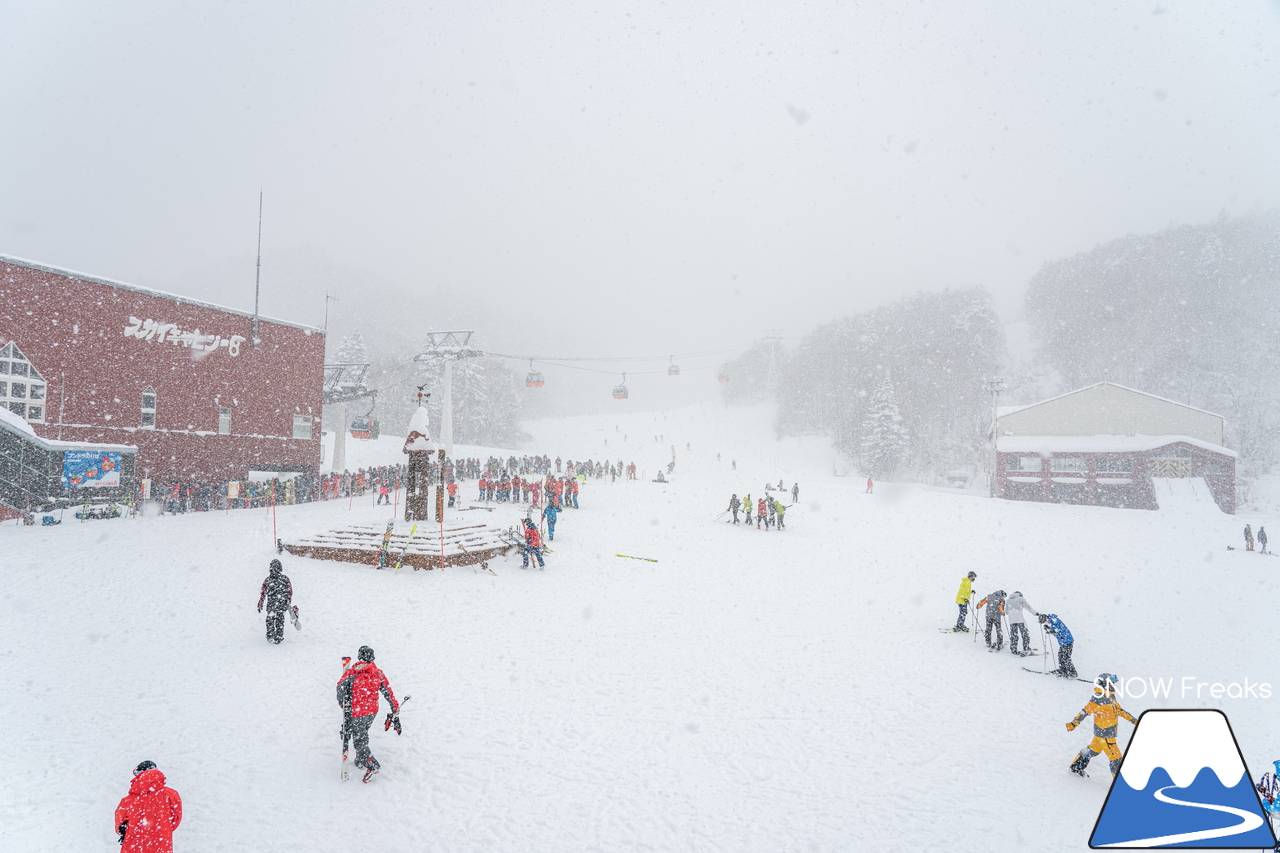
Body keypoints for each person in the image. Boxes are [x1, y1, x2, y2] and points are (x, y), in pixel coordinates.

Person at [336, 646, 400, 783]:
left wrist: (342, 703)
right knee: (362, 732)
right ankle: (360, 760)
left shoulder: (352, 672)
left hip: (357, 711)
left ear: (360, 657)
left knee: (359, 739)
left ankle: (371, 765)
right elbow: (388, 691)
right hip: (371, 711)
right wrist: (394, 706)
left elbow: (340, 687)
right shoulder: (378, 673)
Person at [1067, 673, 1136, 777]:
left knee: (1093, 750)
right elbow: (1085, 711)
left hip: (1104, 733)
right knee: (1116, 758)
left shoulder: (1110, 696)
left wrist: (1135, 721)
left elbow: (1119, 711)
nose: (1114, 685)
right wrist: (1073, 723)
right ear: (1105, 684)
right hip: (1106, 734)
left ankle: (1076, 768)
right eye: (1111, 683)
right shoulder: (1098, 697)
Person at [115, 760, 182, 852]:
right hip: (161, 844)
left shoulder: (128, 800)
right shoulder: (170, 795)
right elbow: (175, 819)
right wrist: (161, 828)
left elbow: (119, 824)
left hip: (134, 845)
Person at [257, 559, 293, 644]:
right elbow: (289, 591)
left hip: (272, 604)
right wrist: (288, 601)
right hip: (281, 603)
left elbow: (263, 592)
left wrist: (260, 603)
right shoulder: (285, 579)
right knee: (280, 620)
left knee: (270, 619)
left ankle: (270, 635)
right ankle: (278, 636)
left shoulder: (268, 580)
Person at [1038, 613, 1078, 678]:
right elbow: (1055, 632)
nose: (1045, 623)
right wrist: (1049, 629)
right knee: (1061, 655)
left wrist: (1053, 631)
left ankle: (1072, 673)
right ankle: (1063, 669)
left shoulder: (1055, 620)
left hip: (1068, 641)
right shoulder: (1051, 622)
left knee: (1066, 656)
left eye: (1045, 621)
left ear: (1046, 618)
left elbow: (1062, 629)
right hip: (1063, 642)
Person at [1006, 591, 1037, 656]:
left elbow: (1006, 611)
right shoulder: (1021, 599)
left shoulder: (1008, 600)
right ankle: (1026, 649)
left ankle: (1014, 649)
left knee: (1014, 634)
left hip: (1011, 619)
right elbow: (1028, 607)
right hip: (1019, 618)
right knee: (1025, 633)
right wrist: (1036, 613)